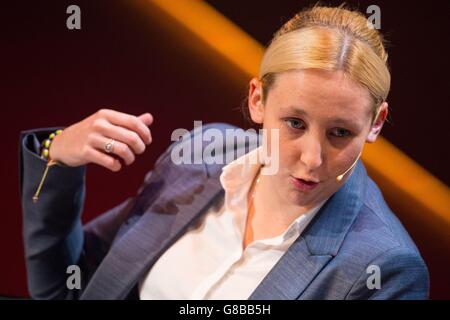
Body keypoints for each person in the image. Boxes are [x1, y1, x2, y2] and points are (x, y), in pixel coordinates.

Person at [19, 4, 429, 300]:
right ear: (257, 100)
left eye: (340, 133)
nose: (311, 159)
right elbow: (68, 286)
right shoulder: (200, 154)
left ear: (375, 124)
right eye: (295, 124)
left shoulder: (386, 267)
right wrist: (58, 157)